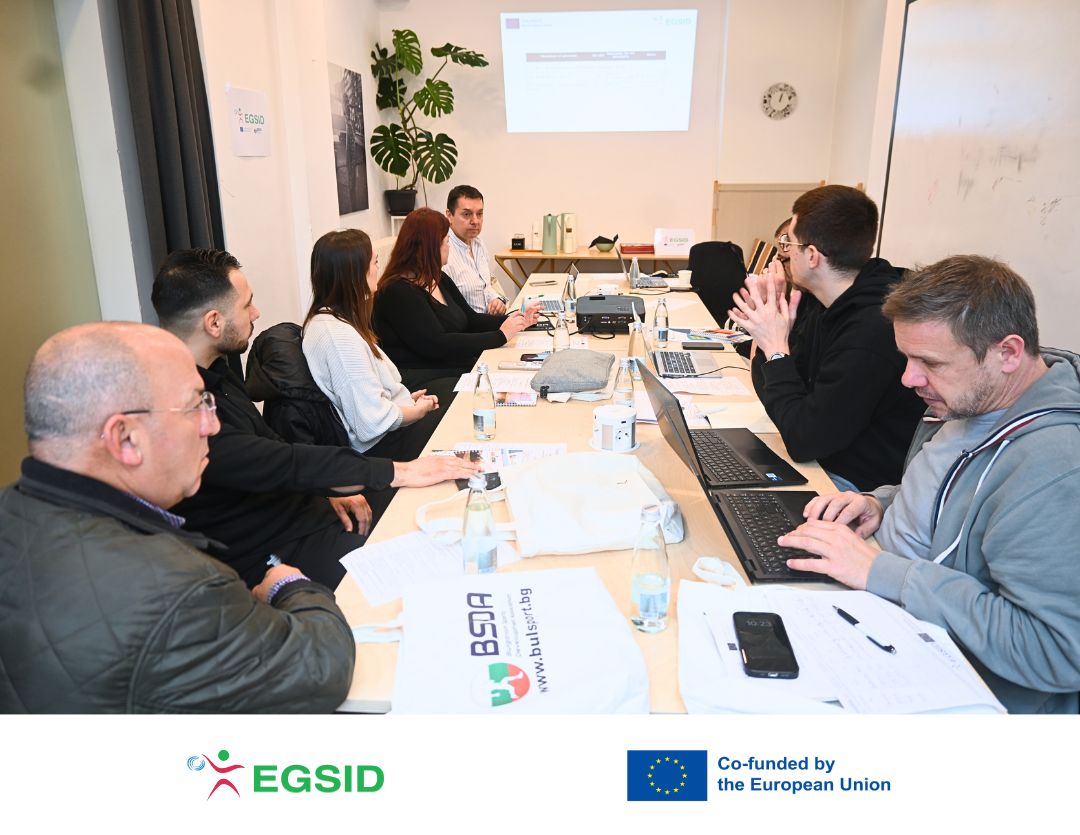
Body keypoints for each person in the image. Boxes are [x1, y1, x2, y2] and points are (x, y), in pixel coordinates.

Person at [0, 322, 355, 712]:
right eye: (195, 406)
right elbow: (320, 668)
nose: (212, 425)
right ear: (126, 438)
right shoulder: (177, 589)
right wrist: (290, 587)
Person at [781, 256, 1080, 713]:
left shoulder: (1055, 467)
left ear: (1008, 353)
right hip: (879, 591)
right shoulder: (973, 399)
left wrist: (881, 572)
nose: (908, 379)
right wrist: (880, 503)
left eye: (929, 363)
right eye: (907, 357)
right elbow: (953, 493)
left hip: (933, 667)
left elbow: (1052, 650)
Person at [152, 248, 479, 590]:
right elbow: (278, 460)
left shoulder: (216, 370)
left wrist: (327, 490)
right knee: (438, 561)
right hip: (275, 549)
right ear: (214, 322)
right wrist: (402, 470)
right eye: (247, 305)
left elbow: (271, 442)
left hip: (306, 510)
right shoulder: (179, 411)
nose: (256, 313)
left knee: (444, 508)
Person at [729, 185, 924, 492]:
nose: (784, 254)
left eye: (788, 244)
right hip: (816, 459)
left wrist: (776, 348)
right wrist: (768, 332)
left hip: (854, 485)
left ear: (812, 256)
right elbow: (780, 400)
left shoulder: (873, 329)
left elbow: (803, 440)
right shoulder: (820, 301)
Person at [302, 228, 452, 460]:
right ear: (354, 273)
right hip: (381, 447)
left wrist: (406, 402)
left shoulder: (332, 320)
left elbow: (367, 398)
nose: (378, 269)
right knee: (459, 411)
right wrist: (417, 411)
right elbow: (372, 422)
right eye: (374, 263)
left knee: (455, 396)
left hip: (388, 431)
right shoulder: (339, 338)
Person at [373, 208, 541, 388]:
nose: (449, 247)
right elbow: (437, 344)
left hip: (451, 366)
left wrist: (516, 320)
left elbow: (470, 319)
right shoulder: (398, 291)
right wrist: (500, 336)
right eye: (446, 241)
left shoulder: (438, 278)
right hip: (423, 378)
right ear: (430, 247)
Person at [443, 184, 507, 314]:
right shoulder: (443, 251)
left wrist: (496, 300)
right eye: (467, 214)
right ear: (449, 215)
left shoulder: (478, 244)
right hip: (468, 325)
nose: (475, 221)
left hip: (488, 319)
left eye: (479, 214)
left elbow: (486, 287)